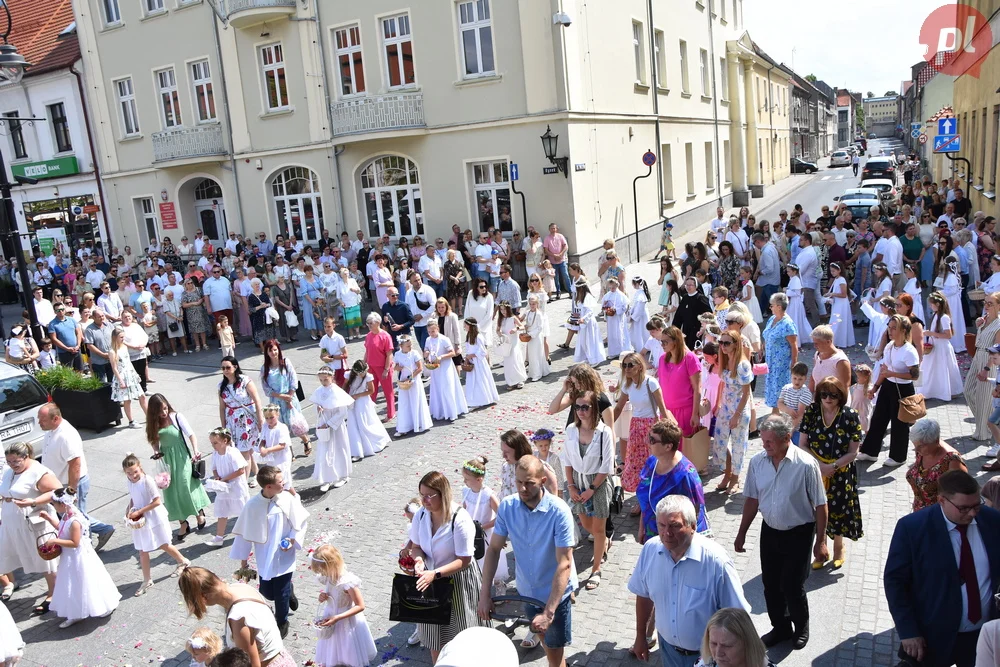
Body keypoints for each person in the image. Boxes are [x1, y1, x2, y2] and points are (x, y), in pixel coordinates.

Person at [885, 470, 1000, 667]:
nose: (972, 514)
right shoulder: (912, 528)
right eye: (964, 508)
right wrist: (908, 631)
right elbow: (895, 582)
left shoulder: (992, 521)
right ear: (941, 500)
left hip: (982, 636)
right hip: (932, 637)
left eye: (976, 505)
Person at [734, 414, 828, 649]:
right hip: (770, 531)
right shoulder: (757, 462)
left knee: (792, 585)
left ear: (787, 438)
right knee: (771, 584)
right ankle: (781, 628)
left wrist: (821, 541)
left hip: (799, 533)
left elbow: (820, 504)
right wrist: (741, 532)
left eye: (769, 442)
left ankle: (801, 626)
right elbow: (752, 500)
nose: (764, 446)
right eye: (763, 441)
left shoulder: (806, 465)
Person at [478, 456, 576, 667]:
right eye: (519, 482)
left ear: (542, 480)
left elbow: (564, 563)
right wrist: (485, 594)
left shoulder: (559, 511)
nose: (523, 488)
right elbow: (494, 549)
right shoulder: (507, 506)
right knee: (548, 645)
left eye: (529, 483)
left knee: (554, 654)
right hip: (527, 592)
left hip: (554, 597)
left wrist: (549, 613)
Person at [628, 495, 749, 666]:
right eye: (661, 525)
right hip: (668, 651)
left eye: (675, 526)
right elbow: (644, 594)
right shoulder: (650, 550)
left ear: (693, 526)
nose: (666, 533)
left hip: (709, 658)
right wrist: (641, 636)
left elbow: (738, 616)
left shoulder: (716, 562)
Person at [406, 471, 487, 662]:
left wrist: (435, 573)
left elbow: (464, 560)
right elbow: (417, 547)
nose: (424, 500)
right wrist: (418, 561)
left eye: (428, 495)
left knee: (461, 638)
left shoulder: (460, 519)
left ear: (442, 494)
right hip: (431, 581)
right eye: (421, 495)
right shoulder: (420, 516)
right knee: (435, 639)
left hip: (458, 582)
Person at [229, 465, 309, 639]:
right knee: (267, 593)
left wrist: (293, 539)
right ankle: (290, 590)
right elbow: (244, 534)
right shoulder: (252, 506)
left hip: (284, 554)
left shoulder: (287, 498)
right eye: (280, 481)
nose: (285, 483)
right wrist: (243, 560)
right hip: (265, 556)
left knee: (280, 594)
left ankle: (281, 621)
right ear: (268, 487)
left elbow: (301, 522)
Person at [798, 377, 864, 570]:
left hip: (841, 471)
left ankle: (838, 547)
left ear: (841, 396)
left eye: (833, 395)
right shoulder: (811, 411)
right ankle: (820, 548)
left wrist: (832, 467)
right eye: (824, 394)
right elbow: (802, 444)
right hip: (814, 469)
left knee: (839, 510)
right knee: (815, 509)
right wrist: (819, 466)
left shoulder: (850, 415)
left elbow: (854, 452)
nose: (828, 398)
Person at [179, 565, 297, 665]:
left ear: (203, 597)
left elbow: (251, 664)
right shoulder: (240, 588)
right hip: (282, 658)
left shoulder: (238, 619)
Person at [41, 487, 121, 628]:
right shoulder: (66, 516)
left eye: (54, 504)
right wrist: (48, 518)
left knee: (87, 581)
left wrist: (54, 541)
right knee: (71, 584)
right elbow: (62, 528)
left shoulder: (75, 521)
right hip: (69, 558)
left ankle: (105, 605)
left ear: (63, 505)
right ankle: (75, 613)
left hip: (79, 557)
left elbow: (74, 542)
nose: (53, 506)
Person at [38, 404, 115, 550]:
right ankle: (103, 530)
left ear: (55, 418)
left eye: (42, 420)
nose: (39, 422)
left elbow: (75, 464)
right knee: (73, 515)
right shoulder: (51, 431)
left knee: (76, 517)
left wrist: (71, 491)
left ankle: (87, 548)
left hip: (71, 484)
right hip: (60, 485)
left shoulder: (66, 435)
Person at [0, 442, 61, 614]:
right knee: (18, 557)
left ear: (26, 457)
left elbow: (58, 491)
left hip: (35, 525)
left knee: (46, 560)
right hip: (13, 526)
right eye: (9, 462)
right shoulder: (8, 471)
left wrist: (34, 501)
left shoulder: (38, 471)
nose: (12, 465)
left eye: (16, 462)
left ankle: (53, 594)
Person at [563, 390, 615, 591]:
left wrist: (591, 489)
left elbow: (607, 466)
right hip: (577, 481)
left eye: (585, 407)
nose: (580, 411)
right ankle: (603, 542)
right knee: (585, 523)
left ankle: (596, 569)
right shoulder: (570, 430)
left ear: (594, 408)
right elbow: (567, 460)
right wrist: (571, 485)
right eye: (577, 407)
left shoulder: (604, 432)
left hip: (598, 483)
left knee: (599, 529)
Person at [856, 315, 921, 467]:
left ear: (903, 330)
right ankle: (870, 451)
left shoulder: (909, 351)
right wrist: (875, 387)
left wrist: (893, 374)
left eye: (894, 328)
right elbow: (884, 371)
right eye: (889, 327)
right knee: (879, 418)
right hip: (887, 385)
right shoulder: (890, 346)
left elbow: (914, 375)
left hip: (903, 388)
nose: (890, 331)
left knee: (899, 423)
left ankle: (898, 457)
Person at [146, 393, 211, 541]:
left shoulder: (176, 417)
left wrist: (196, 450)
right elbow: (154, 441)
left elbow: (191, 434)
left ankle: (198, 514)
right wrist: (156, 452)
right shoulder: (154, 423)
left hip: (182, 457)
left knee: (185, 486)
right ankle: (183, 523)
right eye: (160, 411)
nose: (164, 413)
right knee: (171, 492)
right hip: (166, 460)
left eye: (165, 408)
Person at [635, 421, 709, 544]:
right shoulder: (652, 461)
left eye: (652, 440)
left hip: (676, 540)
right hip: (653, 532)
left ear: (668, 446)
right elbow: (646, 499)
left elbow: (694, 513)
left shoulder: (686, 475)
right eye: (649, 437)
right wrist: (642, 527)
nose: (648, 442)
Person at [310, 544, 377, 667]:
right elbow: (331, 594)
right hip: (330, 617)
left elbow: (360, 605)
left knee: (347, 649)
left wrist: (338, 617)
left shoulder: (348, 582)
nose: (323, 573)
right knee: (332, 647)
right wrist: (323, 597)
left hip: (345, 621)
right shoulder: (328, 577)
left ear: (332, 565)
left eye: (324, 570)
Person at [613, 352, 668, 494]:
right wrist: (607, 425)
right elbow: (619, 407)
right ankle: (641, 494)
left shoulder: (651, 382)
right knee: (635, 462)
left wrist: (667, 429)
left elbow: (662, 408)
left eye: (630, 365)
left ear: (639, 366)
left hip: (651, 426)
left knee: (651, 461)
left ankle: (653, 492)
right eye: (624, 365)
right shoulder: (627, 385)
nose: (627, 368)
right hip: (635, 426)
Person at [713, 330, 753, 494]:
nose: (722, 346)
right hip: (725, 408)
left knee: (737, 445)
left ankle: (735, 478)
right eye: (721, 343)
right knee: (719, 443)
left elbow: (746, 393)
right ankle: (727, 473)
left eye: (727, 343)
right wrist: (718, 403)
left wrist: (736, 415)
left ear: (736, 344)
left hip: (739, 410)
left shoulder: (742, 365)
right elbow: (723, 384)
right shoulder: (724, 360)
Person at [218, 356, 265, 486]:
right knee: (245, 450)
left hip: (246, 421)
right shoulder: (222, 386)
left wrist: (260, 419)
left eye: (228, 367)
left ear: (235, 367)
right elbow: (222, 407)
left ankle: (242, 483)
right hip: (231, 422)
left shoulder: (245, 381)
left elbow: (257, 399)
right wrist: (223, 427)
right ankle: (257, 474)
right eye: (223, 368)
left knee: (244, 451)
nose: (226, 370)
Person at [259, 340, 311, 456]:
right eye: (270, 350)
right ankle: (289, 452)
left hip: (290, 398)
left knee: (295, 424)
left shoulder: (286, 362)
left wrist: (289, 397)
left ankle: (306, 440)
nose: (273, 352)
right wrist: (280, 396)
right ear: (266, 353)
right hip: (276, 401)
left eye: (275, 349)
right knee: (282, 428)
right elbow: (266, 388)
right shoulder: (265, 369)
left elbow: (293, 380)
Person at [906, 417, 967, 512]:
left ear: (936, 441)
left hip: (939, 516)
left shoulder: (952, 460)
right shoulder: (922, 451)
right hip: (919, 512)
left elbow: (962, 494)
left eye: (920, 446)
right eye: (915, 445)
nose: (916, 450)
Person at [657, 326, 703, 446]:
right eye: (661, 341)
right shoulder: (662, 359)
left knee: (684, 449)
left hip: (685, 411)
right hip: (667, 411)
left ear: (676, 341)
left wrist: (695, 414)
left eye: (665, 341)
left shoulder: (690, 359)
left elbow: (697, 388)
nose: (662, 344)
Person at [964, 294, 1000, 442]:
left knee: (984, 398)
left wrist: (987, 368)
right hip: (977, 355)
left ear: (999, 306)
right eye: (985, 303)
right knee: (968, 391)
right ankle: (989, 423)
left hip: (988, 359)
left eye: (990, 303)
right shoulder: (983, 320)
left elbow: (997, 349)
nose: (986, 306)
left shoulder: (998, 325)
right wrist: (980, 325)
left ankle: (983, 433)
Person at [205, 429, 250, 544]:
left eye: (215, 443)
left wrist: (225, 479)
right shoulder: (215, 454)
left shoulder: (232, 452)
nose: (213, 446)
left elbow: (240, 470)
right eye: (211, 443)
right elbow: (214, 468)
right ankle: (219, 537)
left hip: (236, 487)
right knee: (222, 512)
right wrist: (217, 478)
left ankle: (250, 531)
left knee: (243, 511)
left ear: (225, 441)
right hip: (224, 488)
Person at [695, 608, 775, 667]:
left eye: (727, 646)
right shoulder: (703, 664)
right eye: (714, 643)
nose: (718, 653)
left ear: (747, 644)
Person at [921, 292, 964, 401]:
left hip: (941, 347)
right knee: (932, 368)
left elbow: (948, 335)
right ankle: (931, 390)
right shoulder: (936, 315)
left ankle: (948, 391)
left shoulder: (944, 317)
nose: (931, 306)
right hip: (935, 345)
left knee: (942, 368)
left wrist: (931, 334)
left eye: (932, 304)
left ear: (938, 304)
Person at [424, 319, 468, 422]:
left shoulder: (444, 339)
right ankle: (441, 411)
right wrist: (426, 353)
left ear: (437, 329)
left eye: (433, 331)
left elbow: (452, 353)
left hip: (445, 366)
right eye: (429, 332)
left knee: (447, 388)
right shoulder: (428, 339)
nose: (431, 334)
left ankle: (451, 411)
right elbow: (426, 349)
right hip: (435, 368)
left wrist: (442, 357)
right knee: (438, 388)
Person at [760, 293, 799, 409]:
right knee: (772, 385)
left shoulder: (788, 324)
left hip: (781, 362)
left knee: (779, 386)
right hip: (771, 360)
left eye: (772, 305)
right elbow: (767, 334)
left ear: (779, 306)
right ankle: (775, 408)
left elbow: (794, 345)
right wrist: (763, 346)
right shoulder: (772, 319)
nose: (770, 307)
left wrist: (794, 363)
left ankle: (780, 410)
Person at [393, 335, 433, 435]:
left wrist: (410, 378)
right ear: (401, 346)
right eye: (408, 346)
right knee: (404, 403)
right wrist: (398, 368)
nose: (410, 347)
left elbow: (420, 368)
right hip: (403, 381)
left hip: (414, 380)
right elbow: (395, 366)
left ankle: (420, 423)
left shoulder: (414, 353)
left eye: (410, 345)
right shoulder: (397, 354)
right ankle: (404, 426)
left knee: (416, 400)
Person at [109, 325, 147, 427]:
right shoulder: (112, 352)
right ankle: (131, 421)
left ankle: (149, 416)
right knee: (127, 400)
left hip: (131, 374)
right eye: (121, 337)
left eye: (123, 337)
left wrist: (135, 374)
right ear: (115, 338)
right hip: (122, 376)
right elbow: (114, 368)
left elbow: (129, 362)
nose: (123, 339)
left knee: (142, 396)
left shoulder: (124, 347)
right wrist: (120, 380)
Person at [463, 317, 499, 408]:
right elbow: (468, 348)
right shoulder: (468, 335)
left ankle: (483, 399)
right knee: (473, 381)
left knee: (480, 380)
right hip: (471, 361)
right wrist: (467, 357)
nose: (464, 326)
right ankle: (474, 399)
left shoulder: (478, 337)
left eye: (466, 325)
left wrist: (472, 355)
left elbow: (483, 351)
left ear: (470, 326)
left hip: (478, 362)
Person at [807, 325, 852, 396]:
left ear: (828, 342)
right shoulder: (817, 354)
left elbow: (845, 387)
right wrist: (808, 396)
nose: (814, 346)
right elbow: (813, 378)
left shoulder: (841, 361)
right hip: (820, 399)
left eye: (817, 343)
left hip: (834, 401)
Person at [675, 277, 712, 349]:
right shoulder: (685, 298)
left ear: (696, 286)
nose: (688, 287)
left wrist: (703, 328)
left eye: (690, 285)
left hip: (697, 330)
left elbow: (708, 315)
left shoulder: (701, 298)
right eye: (687, 285)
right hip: (686, 330)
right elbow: (678, 315)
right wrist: (675, 329)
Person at [47, 301, 84, 370]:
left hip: (77, 350)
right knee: (68, 374)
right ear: (55, 312)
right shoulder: (52, 324)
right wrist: (67, 348)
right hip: (64, 353)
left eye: (62, 309)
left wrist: (78, 345)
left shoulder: (72, 320)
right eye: (58, 310)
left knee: (80, 371)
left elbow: (78, 332)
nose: (60, 311)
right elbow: (54, 339)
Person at [524, 294, 550, 381]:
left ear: (537, 304)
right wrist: (526, 328)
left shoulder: (539, 314)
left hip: (536, 337)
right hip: (530, 337)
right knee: (531, 355)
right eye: (530, 304)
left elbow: (540, 327)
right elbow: (528, 323)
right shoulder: (528, 313)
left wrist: (531, 334)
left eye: (534, 304)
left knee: (537, 355)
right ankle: (532, 373)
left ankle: (537, 374)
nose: (532, 306)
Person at [784, 264, 813, 341]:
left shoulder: (796, 280)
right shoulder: (792, 279)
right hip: (793, 302)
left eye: (789, 271)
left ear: (794, 271)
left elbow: (797, 293)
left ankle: (797, 340)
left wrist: (786, 291)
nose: (787, 273)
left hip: (795, 303)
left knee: (795, 319)